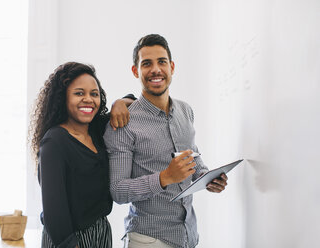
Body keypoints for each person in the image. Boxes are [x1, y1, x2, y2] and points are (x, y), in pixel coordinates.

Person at [103, 34, 228, 248]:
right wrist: (164, 178)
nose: (155, 70)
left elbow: (192, 158)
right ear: (136, 71)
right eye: (146, 64)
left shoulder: (186, 110)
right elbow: (118, 190)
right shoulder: (123, 123)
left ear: (171, 67)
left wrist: (206, 177)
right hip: (148, 240)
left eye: (161, 62)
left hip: (188, 236)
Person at [29, 62, 135, 248]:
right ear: (63, 98)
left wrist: (118, 103)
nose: (88, 99)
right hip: (68, 239)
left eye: (94, 94)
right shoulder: (54, 142)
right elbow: (54, 211)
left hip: (100, 232)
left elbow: (132, 100)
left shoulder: (96, 129)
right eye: (79, 93)